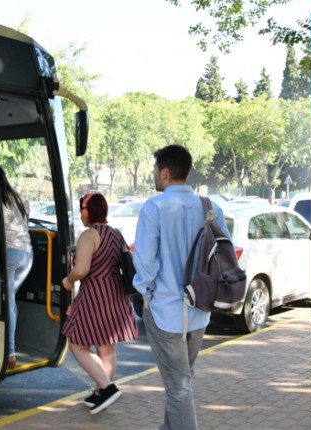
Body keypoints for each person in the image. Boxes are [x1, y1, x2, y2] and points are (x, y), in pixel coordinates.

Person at [132, 144, 230, 430]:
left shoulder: (154, 207)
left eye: (155, 170)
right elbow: (224, 254)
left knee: (178, 386)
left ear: (165, 172)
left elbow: (145, 262)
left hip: (166, 311)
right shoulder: (211, 208)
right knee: (182, 382)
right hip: (200, 309)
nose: (154, 175)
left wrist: (145, 294)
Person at [61, 193, 138, 415]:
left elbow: (81, 270)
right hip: (116, 294)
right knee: (106, 347)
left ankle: (106, 388)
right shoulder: (116, 234)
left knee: (76, 342)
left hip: (95, 294)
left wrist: (68, 280)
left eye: (82, 208)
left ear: (91, 211)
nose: (80, 213)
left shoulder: (89, 235)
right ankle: (101, 393)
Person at [0, 167, 33, 370]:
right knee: (10, 302)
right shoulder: (19, 198)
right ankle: (10, 347)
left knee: (6, 302)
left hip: (8, 253)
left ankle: (9, 352)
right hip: (27, 254)